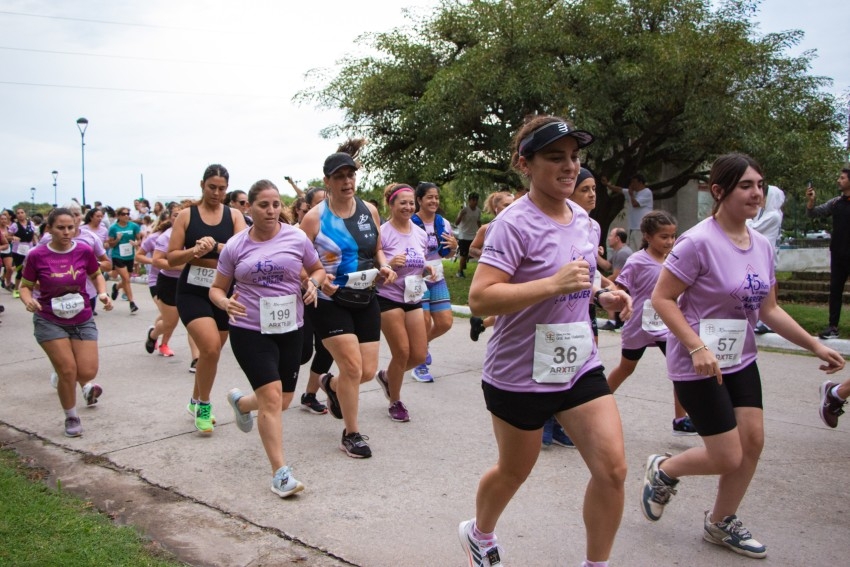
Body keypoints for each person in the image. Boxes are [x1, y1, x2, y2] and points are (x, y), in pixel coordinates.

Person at [642, 153, 845, 559]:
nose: (757, 193)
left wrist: (815, 344)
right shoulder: (697, 242)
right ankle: (665, 470)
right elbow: (662, 299)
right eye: (746, 186)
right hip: (698, 363)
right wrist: (696, 346)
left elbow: (769, 309)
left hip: (741, 358)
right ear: (719, 192)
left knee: (752, 443)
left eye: (760, 185)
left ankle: (721, 522)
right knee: (726, 455)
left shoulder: (763, 245)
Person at [459, 115, 632, 567]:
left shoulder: (586, 222)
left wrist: (604, 294)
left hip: (577, 363)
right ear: (525, 164)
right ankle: (479, 532)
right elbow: (480, 298)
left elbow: (585, 277)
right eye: (556, 158)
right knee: (515, 470)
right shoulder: (512, 225)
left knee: (612, 469)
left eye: (574, 157)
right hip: (519, 372)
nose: (570, 166)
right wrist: (552, 285)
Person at [213, 179, 325, 498]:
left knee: (282, 401)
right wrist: (222, 302)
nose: (272, 210)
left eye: (276, 204)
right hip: (249, 328)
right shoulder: (236, 245)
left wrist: (313, 284)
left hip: (291, 326)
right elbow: (217, 288)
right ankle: (280, 474)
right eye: (264, 204)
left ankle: (241, 402)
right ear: (249, 208)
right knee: (273, 398)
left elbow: (317, 270)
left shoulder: (297, 237)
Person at [299, 139, 396, 458]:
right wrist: (320, 283)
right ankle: (351, 434)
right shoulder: (314, 218)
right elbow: (297, 261)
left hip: (366, 297)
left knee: (367, 371)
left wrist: (383, 267)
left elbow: (377, 248)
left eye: (350, 175)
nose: (347, 181)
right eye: (339, 176)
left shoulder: (369, 210)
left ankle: (332, 385)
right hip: (329, 303)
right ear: (327, 181)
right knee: (353, 369)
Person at [19, 208, 114, 437]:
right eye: (60, 228)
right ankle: (71, 416)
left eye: (70, 227)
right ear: (49, 229)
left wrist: (102, 293)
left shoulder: (83, 250)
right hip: (49, 319)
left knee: (88, 372)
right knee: (68, 370)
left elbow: (96, 274)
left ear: (76, 228)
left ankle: (75, 384)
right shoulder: (36, 255)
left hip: (81, 319)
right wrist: (28, 300)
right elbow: (24, 286)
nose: (66, 232)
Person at [168, 164, 247, 433]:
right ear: (202, 185)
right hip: (192, 291)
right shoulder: (186, 216)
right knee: (211, 348)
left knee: (210, 354)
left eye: (222, 188)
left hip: (223, 292)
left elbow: (240, 251)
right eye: (211, 187)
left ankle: (193, 400)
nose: (216, 192)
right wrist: (193, 251)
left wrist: (212, 246)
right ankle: (203, 406)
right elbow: (171, 257)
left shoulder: (234, 215)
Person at [604, 211, 697, 435]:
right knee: (626, 368)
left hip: (666, 326)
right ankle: (593, 407)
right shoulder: (637, 261)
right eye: (663, 237)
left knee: (680, 370)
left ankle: (680, 420)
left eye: (672, 236)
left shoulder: (674, 260)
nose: (669, 242)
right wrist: (613, 296)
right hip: (638, 325)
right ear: (647, 236)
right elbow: (621, 287)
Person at [374, 183, 433, 422]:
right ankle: (395, 401)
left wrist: (426, 268)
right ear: (391, 204)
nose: (408, 207)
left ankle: (388, 376)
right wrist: (389, 263)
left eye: (411, 203)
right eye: (403, 203)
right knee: (402, 352)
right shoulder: (383, 232)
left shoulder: (419, 233)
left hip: (413, 297)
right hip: (387, 297)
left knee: (418, 355)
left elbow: (420, 261)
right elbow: (374, 266)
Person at [411, 182, 458, 382]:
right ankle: (419, 364)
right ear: (419, 200)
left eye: (436, 197)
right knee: (423, 321)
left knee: (445, 322)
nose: (434, 201)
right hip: (416, 278)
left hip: (437, 277)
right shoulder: (410, 222)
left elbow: (449, 252)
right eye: (429, 197)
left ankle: (422, 346)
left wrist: (455, 247)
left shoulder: (444, 223)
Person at [297, 186, 332, 415]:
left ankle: (310, 395)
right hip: (304, 295)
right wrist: (311, 281)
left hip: (331, 297)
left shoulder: (343, 225)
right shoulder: (297, 232)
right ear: (309, 208)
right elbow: (298, 264)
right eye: (319, 202)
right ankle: (275, 389)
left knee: (327, 347)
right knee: (302, 353)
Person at [805, 169, 850, 339]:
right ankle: (833, 327)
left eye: (842, 178)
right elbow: (812, 213)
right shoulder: (835, 203)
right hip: (838, 254)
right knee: (835, 291)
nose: (838, 180)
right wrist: (811, 201)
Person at [468, 191, 514, 343]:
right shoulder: (487, 228)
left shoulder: (520, 228)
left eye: (514, 204)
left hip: (515, 275)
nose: (511, 208)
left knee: (513, 309)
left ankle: (481, 323)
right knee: (508, 309)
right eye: (506, 205)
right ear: (496, 208)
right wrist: (489, 255)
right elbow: (472, 249)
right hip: (494, 276)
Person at [747, 184, 785, 334]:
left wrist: (745, 221)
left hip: (767, 255)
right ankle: (759, 318)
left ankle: (768, 322)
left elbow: (752, 228)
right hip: (759, 254)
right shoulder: (763, 213)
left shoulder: (773, 215)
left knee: (768, 287)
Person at [602, 173, 654, 251]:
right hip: (633, 228)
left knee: (641, 249)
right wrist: (607, 185)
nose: (632, 184)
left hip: (642, 228)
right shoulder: (633, 192)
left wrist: (631, 195)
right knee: (633, 251)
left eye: (634, 182)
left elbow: (635, 204)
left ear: (640, 182)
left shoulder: (646, 192)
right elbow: (619, 189)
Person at [106, 206, 141, 314]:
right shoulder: (113, 228)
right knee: (126, 278)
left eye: (127, 213)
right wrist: (117, 239)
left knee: (127, 277)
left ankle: (116, 287)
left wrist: (136, 244)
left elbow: (139, 239)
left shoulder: (134, 226)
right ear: (118, 216)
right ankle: (132, 303)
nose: (126, 216)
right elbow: (110, 244)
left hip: (129, 256)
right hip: (118, 255)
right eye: (123, 214)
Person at [599, 228, 632, 331]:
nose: (608, 238)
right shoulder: (618, 251)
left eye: (611, 235)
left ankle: (612, 321)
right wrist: (594, 253)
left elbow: (616, 276)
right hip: (624, 286)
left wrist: (600, 282)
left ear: (617, 238)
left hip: (626, 287)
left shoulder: (623, 253)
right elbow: (607, 266)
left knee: (607, 289)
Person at [8, 207, 40, 299]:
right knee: (20, 270)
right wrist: (13, 237)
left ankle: (30, 288)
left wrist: (36, 245)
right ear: (16, 215)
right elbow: (8, 236)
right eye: (18, 213)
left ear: (25, 214)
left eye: (22, 212)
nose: (20, 214)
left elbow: (33, 235)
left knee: (30, 269)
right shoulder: (14, 225)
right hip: (18, 250)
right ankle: (16, 289)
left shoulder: (31, 224)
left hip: (29, 249)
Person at [454, 192, 481, 278]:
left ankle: (467, 262)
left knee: (477, 253)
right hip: (464, 236)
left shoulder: (478, 211)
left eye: (476, 200)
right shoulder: (464, 210)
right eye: (473, 200)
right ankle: (460, 272)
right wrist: (461, 215)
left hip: (473, 236)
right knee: (463, 255)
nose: (475, 202)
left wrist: (481, 231)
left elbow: (478, 222)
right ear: (469, 201)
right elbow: (456, 223)